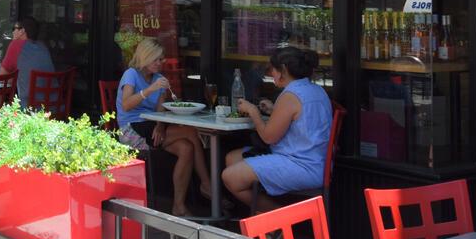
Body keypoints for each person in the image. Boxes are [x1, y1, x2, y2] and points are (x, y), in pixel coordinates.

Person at [222, 46, 332, 213]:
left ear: (283, 70)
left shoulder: (290, 96)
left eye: (272, 68)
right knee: (232, 158)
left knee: (229, 177)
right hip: (318, 162)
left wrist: (253, 112)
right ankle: (263, 219)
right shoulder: (316, 89)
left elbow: (268, 137)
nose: (270, 73)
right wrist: (274, 111)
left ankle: (281, 219)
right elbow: (303, 119)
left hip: (300, 165)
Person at [117, 39, 208, 218]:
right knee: (191, 132)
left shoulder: (158, 79)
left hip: (151, 126)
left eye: (161, 59)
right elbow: (126, 105)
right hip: (131, 129)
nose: (160, 63)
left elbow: (159, 109)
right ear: (146, 57)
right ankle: (207, 184)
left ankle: (178, 206)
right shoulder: (131, 74)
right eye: (156, 59)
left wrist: (160, 126)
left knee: (186, 147)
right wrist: (150, 90)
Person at [2, 16, 54, 106]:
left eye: (15, 28)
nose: (13, 31)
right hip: (53, 106)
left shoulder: (16, 45)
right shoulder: (43, 47)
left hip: (30, 108)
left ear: (22, 31)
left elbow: (3, 76)